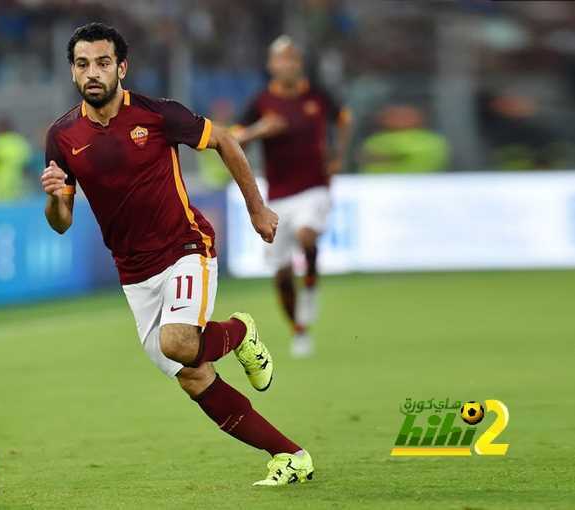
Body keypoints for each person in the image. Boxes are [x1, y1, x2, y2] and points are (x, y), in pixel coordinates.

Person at [40, 23, 313, 486]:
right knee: (194, 377)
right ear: (72, 72)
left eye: (103, 62)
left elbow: (225, 140)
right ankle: (291, 456)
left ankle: (239, 332)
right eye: (83, 64)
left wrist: (257, 208)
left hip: (186, 247)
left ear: (121, 68)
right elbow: (61, 221)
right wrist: (53, 198)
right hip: (133, 273)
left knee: (179, 343)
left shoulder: (157, 114)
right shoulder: (63, 136)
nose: (93, 72)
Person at [233, 36, 353, 358]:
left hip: (314, 186)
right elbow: (232, 140)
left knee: (306, 235)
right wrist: (260, 130)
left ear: (300, 64)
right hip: (277, 196)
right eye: (282, 59)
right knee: (282, 274)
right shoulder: (261, 102)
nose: (288, 65)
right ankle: (299, 330)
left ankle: (310, 284)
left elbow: (344, 119)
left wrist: (338, 156)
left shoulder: (317, 96)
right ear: (271, 65)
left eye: (293, 59)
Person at [359, 104, 449, 174]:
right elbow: (366, 157)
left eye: (406, 115)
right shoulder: (375, 139)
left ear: (420, 117)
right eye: (393, 115)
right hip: (378, 186)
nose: (399, 119)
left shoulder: (432, 140)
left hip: (422, 185)